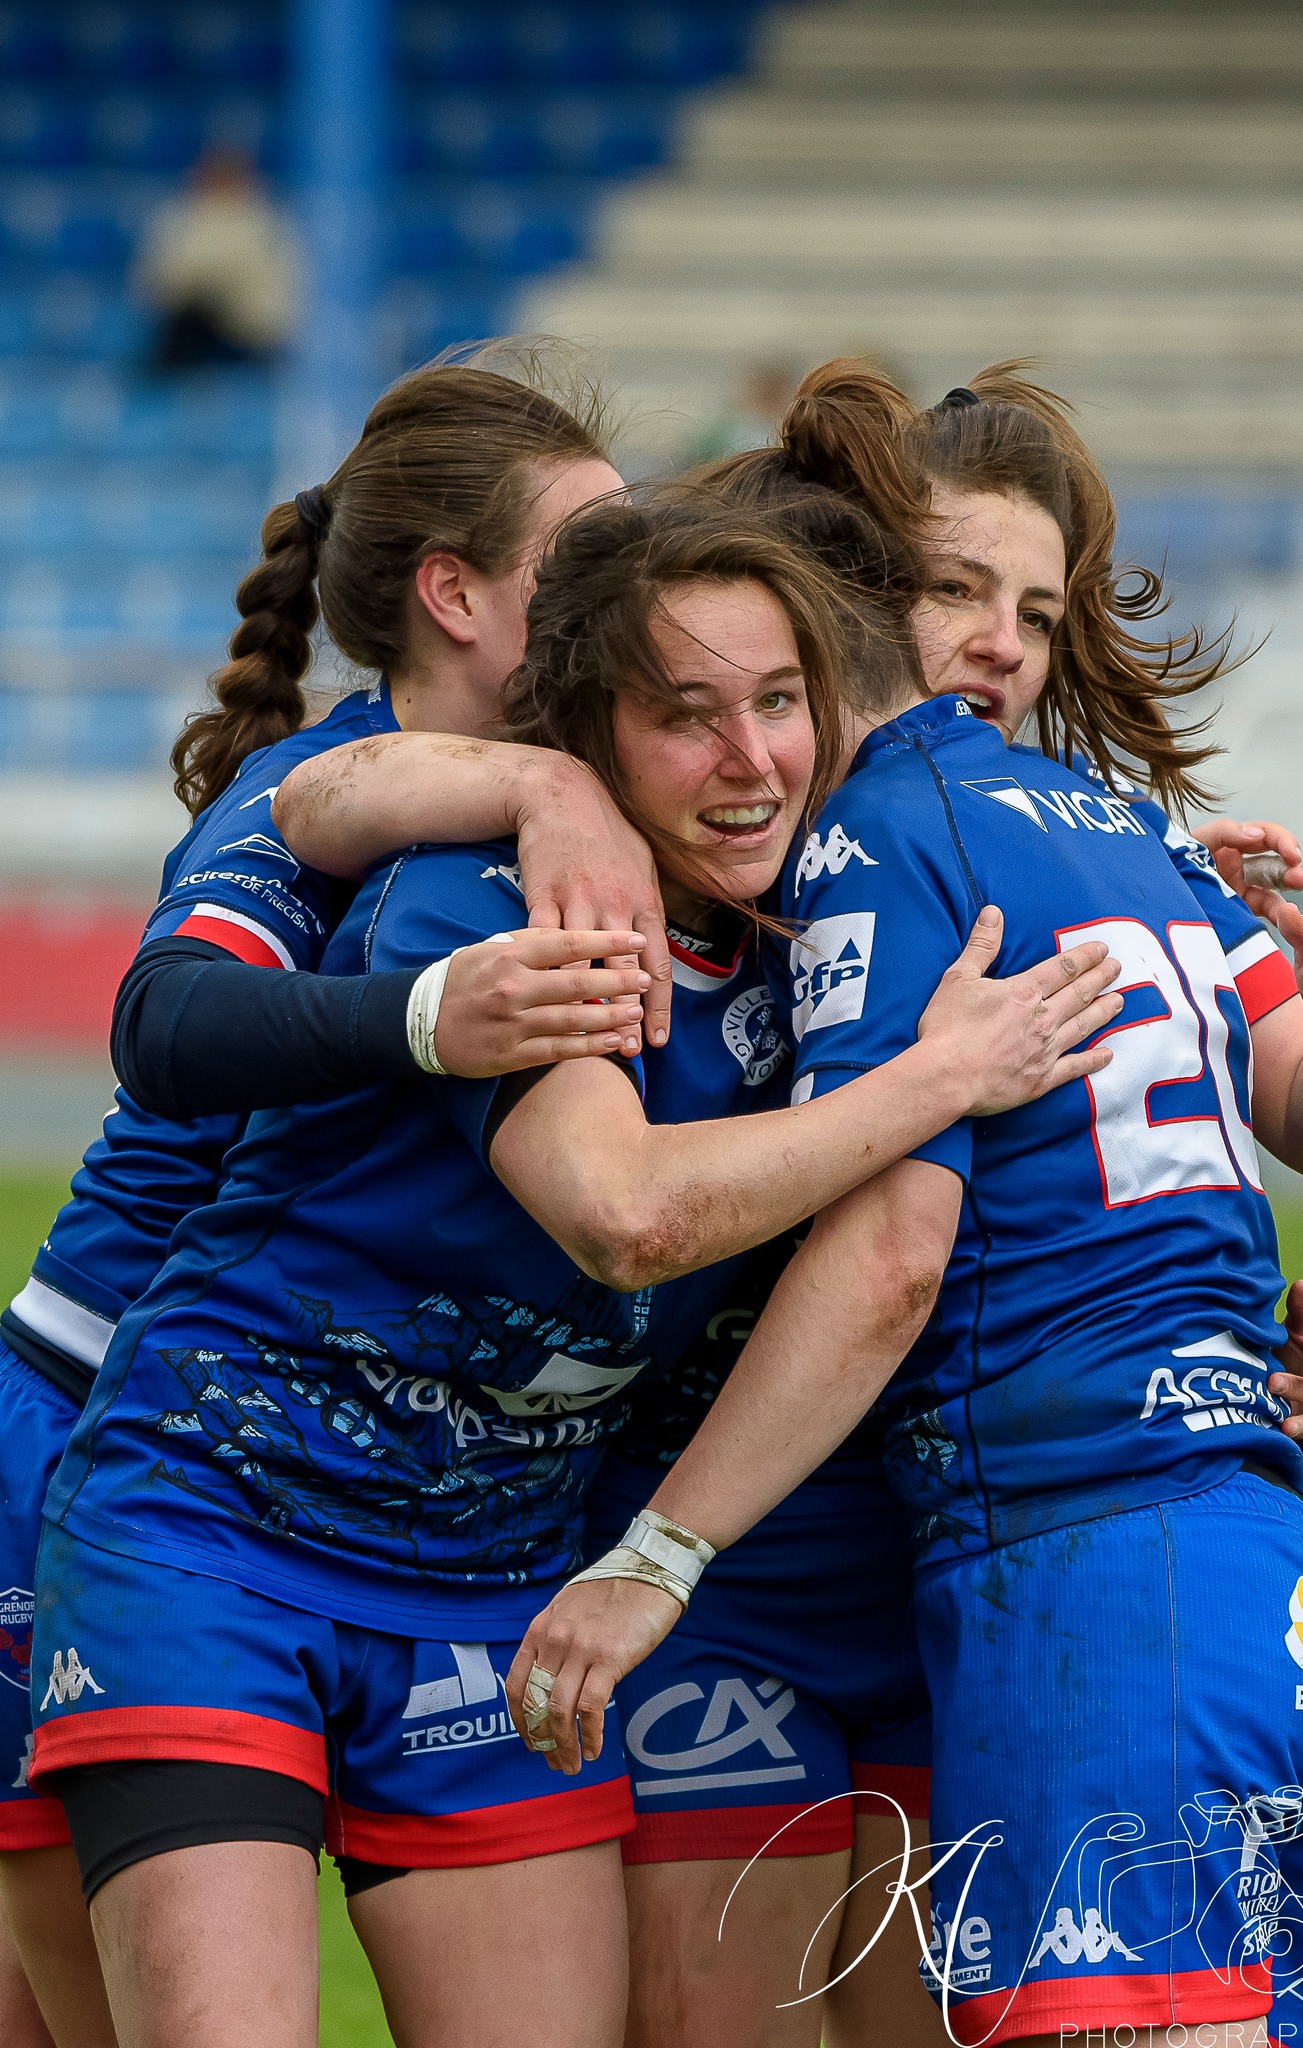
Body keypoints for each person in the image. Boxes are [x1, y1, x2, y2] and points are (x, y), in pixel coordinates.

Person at [276, 370, 1303, 2048]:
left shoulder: (945, 844)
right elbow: (305, 809)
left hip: (1051, 1569)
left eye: (1031, 608)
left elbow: (919, 1233)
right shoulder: (843, 836)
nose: (996, 641)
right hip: (1048, 1565)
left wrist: (1231, 1378)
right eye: (951, 592)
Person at [26, 498, 1121, 2048]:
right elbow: (627, 1216)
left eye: (775, 703)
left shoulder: (823, 918)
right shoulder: (501, 896)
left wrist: (1256, 1365)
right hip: (217, 1526)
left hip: (494, 1581)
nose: (747, 761)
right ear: (592, 733)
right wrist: (935, 1076)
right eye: (682, 719)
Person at [0, 354, 667, 2048]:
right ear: (453, 592)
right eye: (581, 564)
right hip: (100, 1436)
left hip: (403, 1493)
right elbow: (165, 1027)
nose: (628, 596)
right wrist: (432, 1013)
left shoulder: (616, 773)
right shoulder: (330, 783)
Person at [136, 148, 301, 374]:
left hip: (248, 336)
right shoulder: (180, 217)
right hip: (193, 326)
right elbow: (159, 282)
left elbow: (271, 298)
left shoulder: (263, 223)